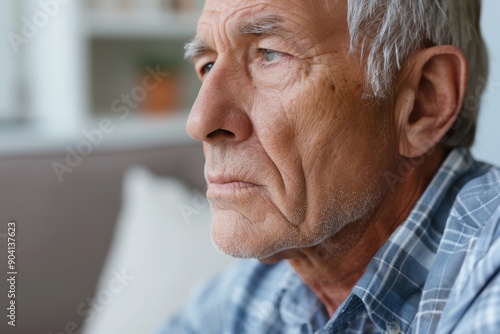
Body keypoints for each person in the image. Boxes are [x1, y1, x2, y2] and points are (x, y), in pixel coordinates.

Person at [163, 0, 500, 333]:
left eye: (269, 54)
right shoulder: (250, 292)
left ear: (423, 101)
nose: (199, 121)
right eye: (207, 65)